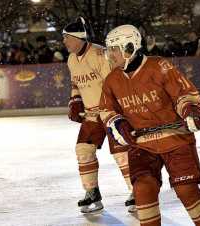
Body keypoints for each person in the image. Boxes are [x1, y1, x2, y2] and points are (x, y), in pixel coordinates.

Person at [99, 24, 200, 226]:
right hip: (142, 145)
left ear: (129, 47)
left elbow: (183, 95)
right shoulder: (112, 79)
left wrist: (191, 111)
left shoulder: (159, 66)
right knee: (142, 189)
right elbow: (107, 111)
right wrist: (117, 123)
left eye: (114, 49)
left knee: (186, 189)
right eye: (109, 50)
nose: (110, 55)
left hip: (176, 139)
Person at [62, 17, 135, 213]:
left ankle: (137, 191)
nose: (64, 42)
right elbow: (75, 84)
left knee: (121, 153)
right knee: (83, 150)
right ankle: (92, 192)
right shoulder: (71, 59)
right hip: (91, 115)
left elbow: (114, 83)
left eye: (66, 37)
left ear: (78, 38)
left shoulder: (99, 54)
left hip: (110, 112)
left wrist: (111, 110)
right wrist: (75, 101)